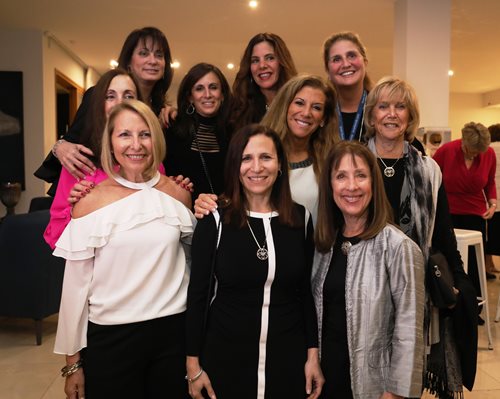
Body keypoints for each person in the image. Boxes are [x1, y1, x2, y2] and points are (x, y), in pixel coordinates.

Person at [53, 100, 195, 398]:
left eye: (145, 134)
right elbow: (75, 289)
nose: (136, 145)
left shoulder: (178, 194)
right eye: (125, 135)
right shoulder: (90, 200)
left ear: (156, 139)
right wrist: (72, 364)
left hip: (172, 334)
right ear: (111, 142)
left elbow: (192, 267)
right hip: (111, 337)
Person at [185, 124, 323, 399]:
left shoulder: (300, 219)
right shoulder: (215, 219)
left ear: (280, 165)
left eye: (266, 157)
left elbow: (305, 293)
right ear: (235, 165)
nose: (256, 167)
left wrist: (312, 355)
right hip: (226, 358)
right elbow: (198, 296)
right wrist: (193, 365)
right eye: (247, 158)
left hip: (287, 358)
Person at [364, 76, 478, 396]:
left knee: (404, 378)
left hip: (414, 290)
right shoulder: (353, 162)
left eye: (400, 107)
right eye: (383, 106)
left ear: (410, 116)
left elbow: (442, 232)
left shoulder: (429, 170)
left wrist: (458, 276)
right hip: (362, 286)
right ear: (371, 115)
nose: (391, 114)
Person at [311, 141, 425, 398]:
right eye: (341, 176)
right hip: (326, 381)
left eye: (361, 175)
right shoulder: (324, 245)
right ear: (330, 186)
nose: (351, 186)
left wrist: (395, 393)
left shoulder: (398, 247)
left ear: (373, 183)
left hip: (375, 387)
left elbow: (410, 331)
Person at [35, 26, 173, 193]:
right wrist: (60, 146)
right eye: (144, 53)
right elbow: (72, 138)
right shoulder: (98, 95)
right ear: (128, 63)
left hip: (137, 192)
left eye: (159, 55)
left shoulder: (160, 111)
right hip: (84, 188)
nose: (153, 60)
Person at [194, 75, 338, 226]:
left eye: (317, 107)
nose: (306, 113)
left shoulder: (332, 161)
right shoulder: (253, 153)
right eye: (299, 103)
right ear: (285, 106)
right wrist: (207, 203)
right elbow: (233, 197)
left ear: (324, 118)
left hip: (315, 247)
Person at [43, 68, 144, 248]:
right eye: (110, 96)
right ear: (99, 104)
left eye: (128, 96)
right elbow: (55, 236)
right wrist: (78, 210)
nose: (119, 103)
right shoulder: (78, 161)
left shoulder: (150, 160)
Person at [322, 31, 426, 153]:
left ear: (365, 61)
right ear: (327, 69)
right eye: (336, 59)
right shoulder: (321, 112)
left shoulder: (384, 111)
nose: (345, 64)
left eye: (351, 55)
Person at [434, 122, 497, 280]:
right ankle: (450, 297)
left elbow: (490, 182)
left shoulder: (489, 154)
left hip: (476, 214)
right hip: (447, 211)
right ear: (463, 141)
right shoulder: (446, 151)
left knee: (474, 262)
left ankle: (473, 299)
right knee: (449, 258)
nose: (474, 155)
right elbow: (431, 180)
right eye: (471, 151)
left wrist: (493, 204)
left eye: (478, 152)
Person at [164, 63, 232, 201]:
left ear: (223, 94)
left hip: (225, 215)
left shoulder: (234, 132)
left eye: (213, 87)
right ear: (190, 97)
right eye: (199, 88)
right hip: (185, 213)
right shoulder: (173, 132)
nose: (207, 95)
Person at [230, 32, 297, 133]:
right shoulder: (240, 108)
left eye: (270, 58)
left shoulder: (297, 102)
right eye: (255, 60)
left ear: (281, 63)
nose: (262, 65)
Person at [486, 123, 500, 273]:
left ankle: (488, 265)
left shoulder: (489, 150)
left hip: (489, 200)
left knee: (489, 235)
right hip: (495, 198)